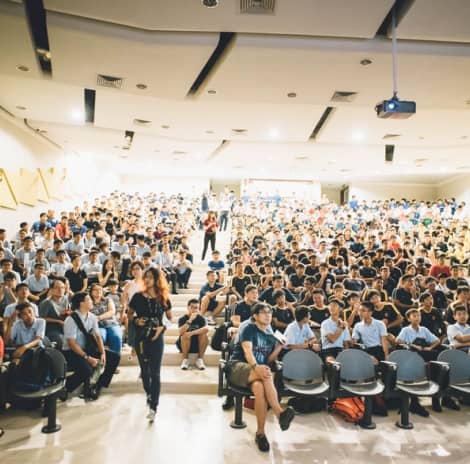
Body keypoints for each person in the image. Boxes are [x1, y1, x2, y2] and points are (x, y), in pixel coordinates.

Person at [228, 303, 295, 452]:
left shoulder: (270, 334)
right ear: (255, 316)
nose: (268, 315)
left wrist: (278, 347)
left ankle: (260, 433)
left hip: (257, 374)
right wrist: (257, 367)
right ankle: (279, 413)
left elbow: (269, 359)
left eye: (270, 312)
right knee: (265, 372)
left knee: (259, 389)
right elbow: (248, 352)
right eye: (263, 312)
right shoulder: (248, 328)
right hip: (238, 366)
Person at [128, 267, 173, 422]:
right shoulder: (137, 296)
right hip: (141, 337)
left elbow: (170, 318)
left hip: (157, 337)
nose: (146, 279)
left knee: (155, 372)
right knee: (145, 371)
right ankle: (149, 392)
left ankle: (154, 406)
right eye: (145, 277)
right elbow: (129, 314)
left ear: (156, 279)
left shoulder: (163, 297)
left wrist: (163, 327)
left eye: (150, 277)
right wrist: (135, 320)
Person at [63, 292, 120, 401]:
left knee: (114, 357)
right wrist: (88, 358)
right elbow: (72, 343)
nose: (92, 301)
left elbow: (97, 336)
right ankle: (65, 387)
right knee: (87, 370)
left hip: (87, 349)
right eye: (89, 299)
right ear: (81, 303)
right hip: (71, 352)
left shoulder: (92, 317)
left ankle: (96, 386)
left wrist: (103, 352)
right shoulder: (70, 320)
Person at [89, 283, 122, 354]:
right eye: (95, 290)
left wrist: (99, 317)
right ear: (91, 292)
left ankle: (115, 359)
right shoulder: (88, 302)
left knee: (116, 337)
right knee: (100, 338)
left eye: (100, 289)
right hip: (97, 325)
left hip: (111, 323)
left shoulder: (107, 300)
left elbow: (112, 311)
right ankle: (101, 358)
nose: (98, 291)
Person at [38, 278, 70, 349]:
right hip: (52, 328)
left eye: (62, 287)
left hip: (65, 327)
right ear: (51, 290)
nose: (60, 290)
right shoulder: (47, 303)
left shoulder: (65, 299)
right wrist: (58, 321)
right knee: (62, 342)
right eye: (57, 288)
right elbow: (41, 319)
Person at [177, 299, 208, 370]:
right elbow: (180, 332)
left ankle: (200, 359)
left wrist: (191, 333)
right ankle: (185, 360)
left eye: (196, 307)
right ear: (188, 308)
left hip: (197, 344)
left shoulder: (201, 319)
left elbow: (206, 329)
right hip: (184, 344)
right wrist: (190, 320)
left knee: (204, 335)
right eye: (192, 307)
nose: (194, 309)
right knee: (184, 336)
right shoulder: (182, 318)